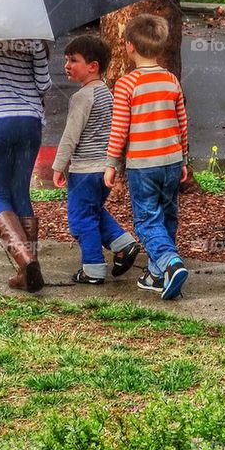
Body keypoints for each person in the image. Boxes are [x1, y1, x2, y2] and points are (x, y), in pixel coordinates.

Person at [104, 15, 190, 300]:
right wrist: (184, 160)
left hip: (142, 165)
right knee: (167, 215)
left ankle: (169, 261)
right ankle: (155, 274)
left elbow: (119, 130)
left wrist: (111, 164)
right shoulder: (170, 80)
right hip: (171, 160)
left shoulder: (127, 85)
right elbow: (182, 122)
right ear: (161, 45)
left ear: (129, 46)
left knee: (145, 219)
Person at [52, 35, 140, 285]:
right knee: (92, 211)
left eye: (74, 60)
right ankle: (124, 244)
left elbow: (71, 135)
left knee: (80, 220)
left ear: (93, 66)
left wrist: (59, 166)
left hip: (84, 170)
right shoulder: (107, 95)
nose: (67, 65)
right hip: (105, 169)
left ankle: (93, 269)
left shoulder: (82, 97)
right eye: (66, 60)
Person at [0, 38, 51, 292]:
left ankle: (26, 261)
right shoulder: (34, 37)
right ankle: (28, 270)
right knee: (21, 193)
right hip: (29, 121)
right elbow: (43, 85)